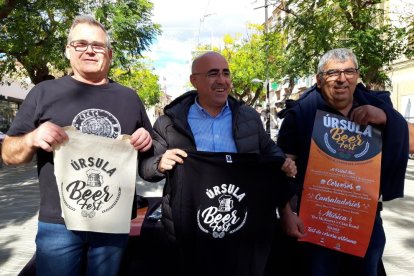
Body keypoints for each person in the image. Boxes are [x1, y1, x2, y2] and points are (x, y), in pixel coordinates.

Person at [1, 15, 153, 276]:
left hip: (112, 220)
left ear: (110, 53)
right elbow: (8, 155)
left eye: (98, 45)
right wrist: (32, 138)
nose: (90, 50)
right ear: (68, 50)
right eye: (80, 44)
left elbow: (150, 165)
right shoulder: (43, 92)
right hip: (59, 223)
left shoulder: (129, 98)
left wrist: (147, 143)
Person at [139, 51, 299, 273]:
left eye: (226, 73)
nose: (222, 80)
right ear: (194, 80)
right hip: (189, 228)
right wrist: (159, 163)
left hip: (241, 223)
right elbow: (145, 169)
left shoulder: (248, 117)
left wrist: (282, 161)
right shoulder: (169, 123)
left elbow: (269, 152)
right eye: (213, 74)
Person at [277, 48, 409, 276]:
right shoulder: (301, 113)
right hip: (315, 222)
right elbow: (281, 169)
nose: (341, 79)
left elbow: (409, 141)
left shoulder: (376, 108)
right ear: (319, 80)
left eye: (349, 71)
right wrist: (286, 214)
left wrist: (386, 118)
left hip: (364, 221)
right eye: (332, 73)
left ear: (357, 77)